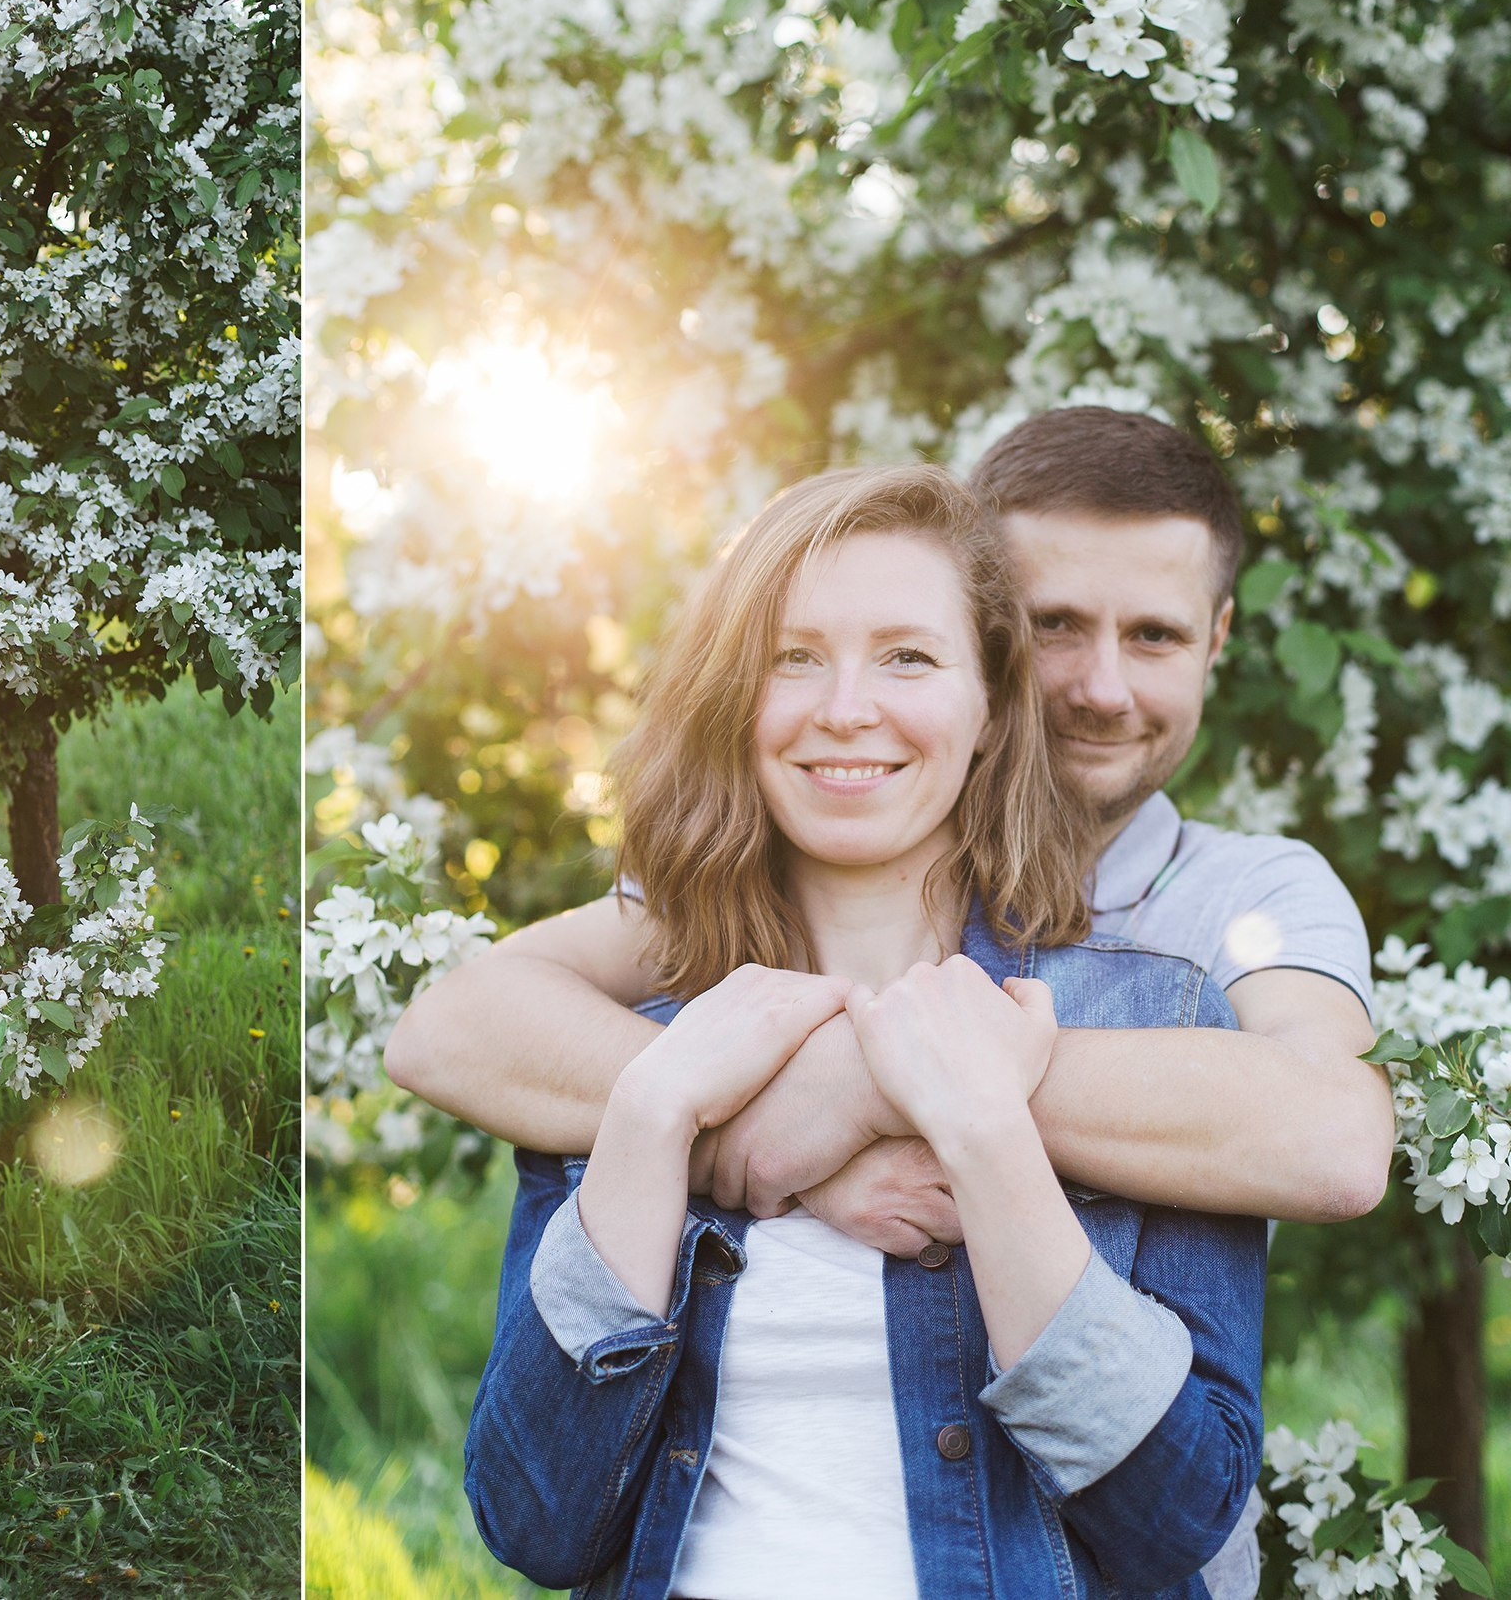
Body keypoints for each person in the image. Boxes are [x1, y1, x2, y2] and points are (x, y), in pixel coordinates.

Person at [461, 463, 1266, 1599]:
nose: (845, 707)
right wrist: (655, 1113)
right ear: (737, 701)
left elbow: (1180, 1520)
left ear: (993, 709)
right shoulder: (635, 1045)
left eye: (907, 657)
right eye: (794, 657)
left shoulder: (1158, 1017)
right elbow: (533, 1521)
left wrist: (985, 1137)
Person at [387, 407, 1392, 1250]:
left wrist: (870, 1083)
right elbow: (456, 1031)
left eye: (1155, 636)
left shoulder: (1250, 892)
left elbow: (1334, 1138)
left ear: (1216, 639)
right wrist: (757, 1120)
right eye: (1054, 625)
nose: (1102, 687)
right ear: (984, 636)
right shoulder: (818, 860)